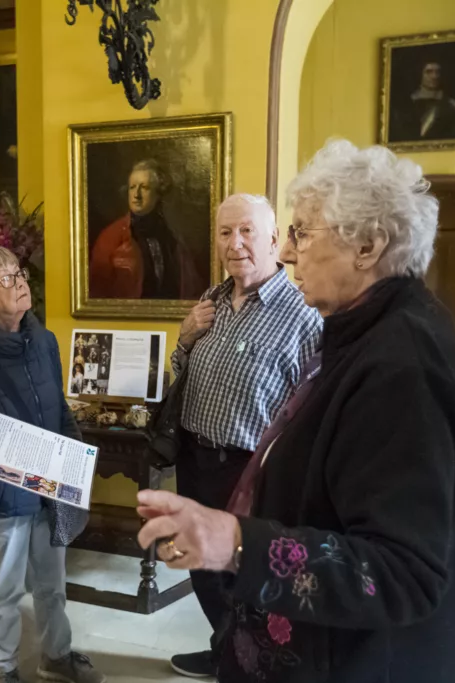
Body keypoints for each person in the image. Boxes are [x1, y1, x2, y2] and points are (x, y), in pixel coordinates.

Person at [137, 140, 455, 683]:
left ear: (369, 245)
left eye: (303, 232)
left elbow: (402, 573)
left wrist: (234, 541)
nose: (286, 253)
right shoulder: (369, 331)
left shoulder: (405, 363)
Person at [167, 193, 323, 678]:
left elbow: (312, 409)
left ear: (275, 239)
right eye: (224, 233)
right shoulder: (210, 302)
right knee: (201, 568)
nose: (235, 244)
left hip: (250, 469)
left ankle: (247, 663)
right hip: (194, 459)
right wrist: (185, 338)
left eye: (247, 231)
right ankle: (223, 651)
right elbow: (179, 373)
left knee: (243, 575)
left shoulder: (304, 315)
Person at [0, 246, 104, 683]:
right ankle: (4, 669)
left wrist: (75, 463)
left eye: (19, 273)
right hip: (2, 500)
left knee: (52, 585)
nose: (19, 282)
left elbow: (60, 410)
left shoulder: (45, 341)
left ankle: (57, 655)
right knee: (5, 592)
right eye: (5, 279)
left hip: (49, 488)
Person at [89, 159, 205, 300]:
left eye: (144, 187)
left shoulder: (171, 239)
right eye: (132, 187)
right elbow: (97, 294)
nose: (136, 194)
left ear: (158, 194)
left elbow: (191, 290)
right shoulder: (111, 236)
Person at [391, 60, 455, 142]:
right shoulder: (406, 105)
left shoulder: (453, 107)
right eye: (429, 72)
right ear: (419, 74)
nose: (434, 76)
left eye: (437, 72)